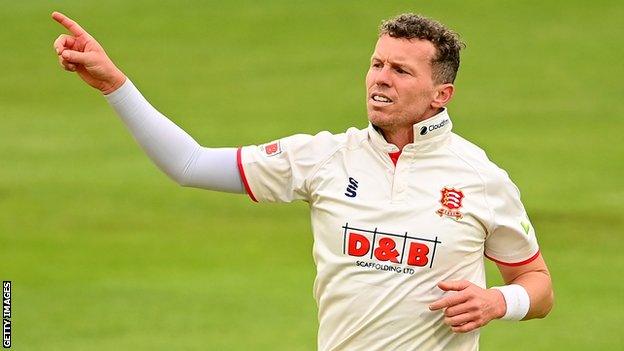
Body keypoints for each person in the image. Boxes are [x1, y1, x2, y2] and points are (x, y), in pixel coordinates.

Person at [52, 11, 554, 350]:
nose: (380, 77)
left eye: (400, 70)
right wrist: (115, 86)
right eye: (376, 64)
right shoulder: (324, 157)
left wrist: (497, 302)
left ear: (441, 94)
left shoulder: (481, 179)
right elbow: (189, 164)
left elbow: (538, 285)